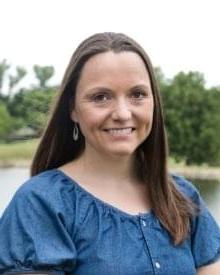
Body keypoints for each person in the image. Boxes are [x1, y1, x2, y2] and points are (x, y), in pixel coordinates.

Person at [0, 32, 219, 275]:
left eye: (137, 94)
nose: (123, 113)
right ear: (72, 108)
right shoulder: (41, 203)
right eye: (101, 97)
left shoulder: (183, 197)